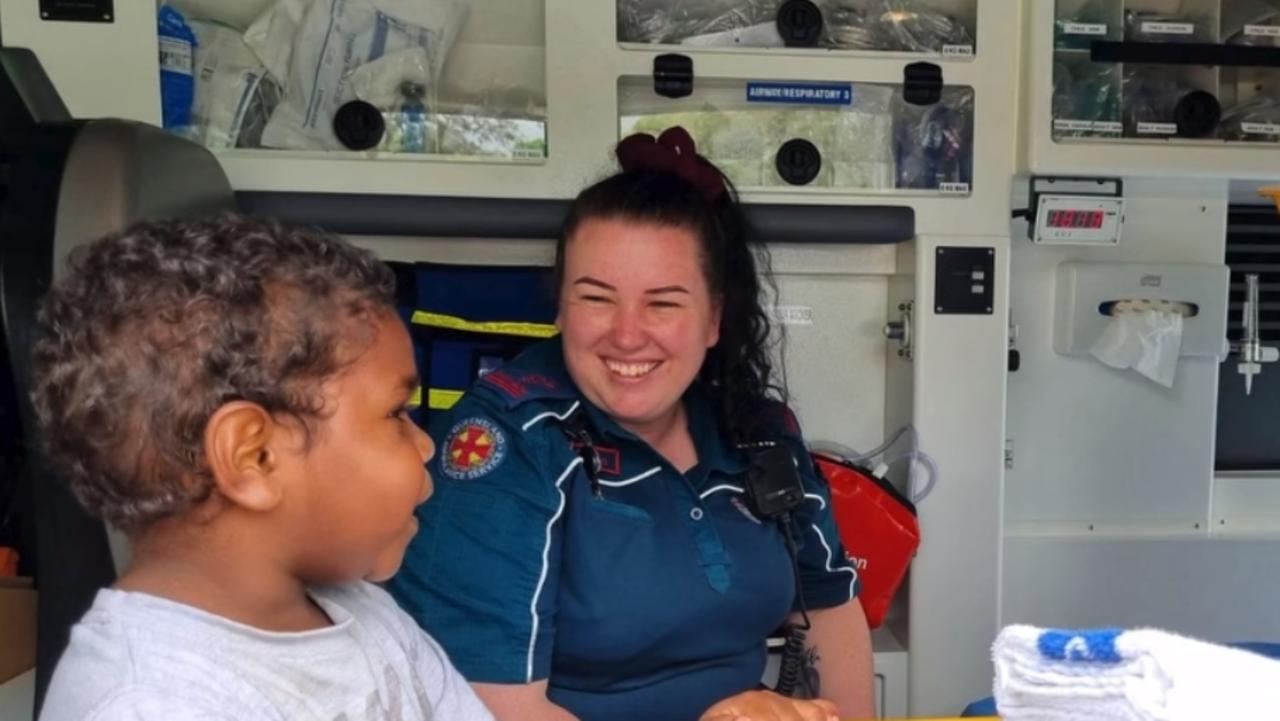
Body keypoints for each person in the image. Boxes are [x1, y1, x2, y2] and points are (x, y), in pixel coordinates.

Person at [388, 127, 876, 721]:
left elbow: (827, 604)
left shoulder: (758, 430)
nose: (626, 334)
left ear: (714, 319)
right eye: (596, 298)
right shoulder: (510, 442)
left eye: (664, 302)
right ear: (561, 306)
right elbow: (491, 708)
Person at [30, 215, 494, 721]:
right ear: (254, 458)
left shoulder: (364, 614)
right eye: (395, 414)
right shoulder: (150, 704)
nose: (425, 445)